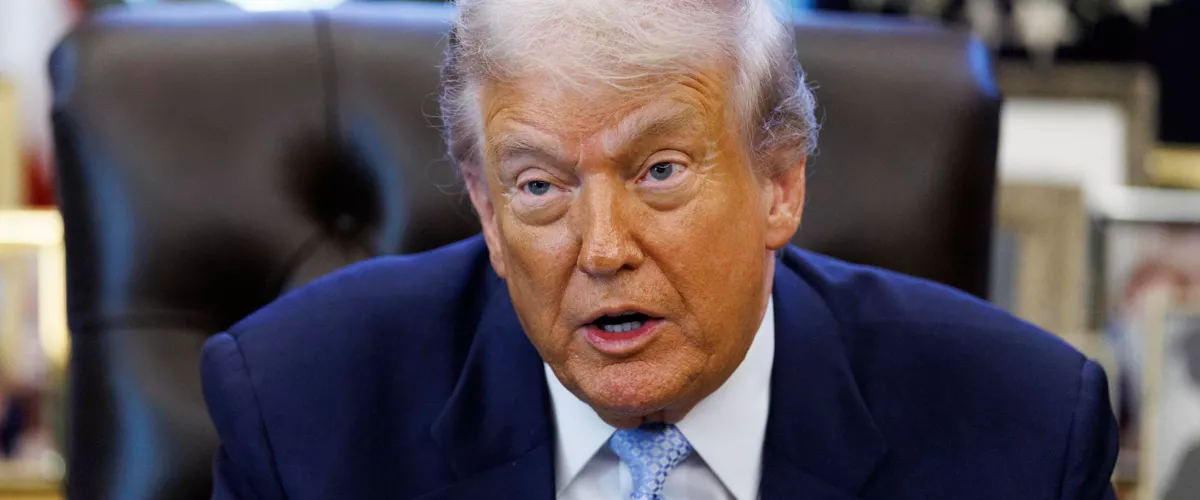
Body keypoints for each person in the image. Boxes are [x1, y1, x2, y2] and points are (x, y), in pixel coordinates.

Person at [200, 0, 1118, 498]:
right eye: (538, 187)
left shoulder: (1024, 435)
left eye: (660, 170)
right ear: (485, 211)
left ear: (781, 183)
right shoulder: (298, 410)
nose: (602, 250)